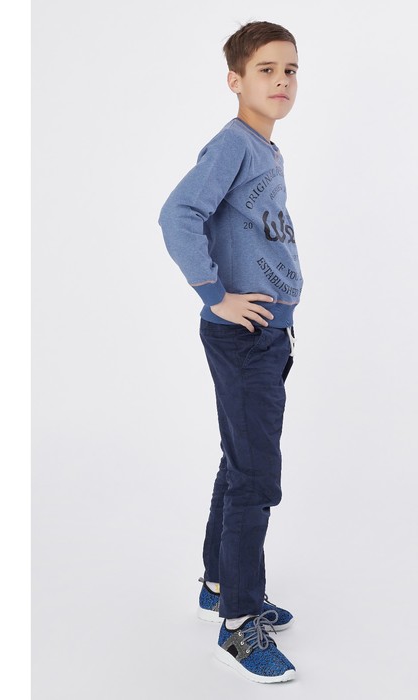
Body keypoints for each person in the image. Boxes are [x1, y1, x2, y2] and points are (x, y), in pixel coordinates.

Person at [158, 20, 303, 684]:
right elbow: (178, 214)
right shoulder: (232, 144)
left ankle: (219, 583)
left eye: (290, 70)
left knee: (238, 459)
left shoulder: (265, 148)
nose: (281, 81)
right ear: (235, 80)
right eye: (266, 69)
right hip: (243, 338)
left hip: (268, 335)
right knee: (256, 477)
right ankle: (239, 624)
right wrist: (215, 295)